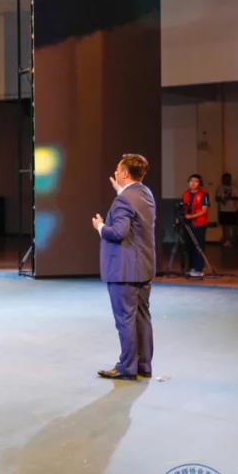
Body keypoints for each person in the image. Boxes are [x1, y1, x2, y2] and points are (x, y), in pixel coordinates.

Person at [92, 153, 156, 381]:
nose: (115, 173)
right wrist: (121, 191)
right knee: (142, 318)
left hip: (124, 271)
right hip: (143, 268)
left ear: (126, 174)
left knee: (125, 320)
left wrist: (100, 226)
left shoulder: (123, 200)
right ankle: (143, 365)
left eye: (118, 170)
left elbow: (118, 232)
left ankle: (127, 367)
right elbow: (133, 213)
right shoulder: (145, 194)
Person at [181, 173, 210, 278]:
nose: (193, 183)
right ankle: (190, 268)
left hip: (199, 223)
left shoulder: (204, 194)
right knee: (188, 246)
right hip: (187, 223)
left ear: (199, 183)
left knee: (198, 245)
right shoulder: (185, 193)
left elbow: (204, 210)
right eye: (191, 181)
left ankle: (198, 268)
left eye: (196, 181)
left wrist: (192, 216)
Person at [215, 173, 238, 248]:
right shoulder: (220, 188)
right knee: (225, 226)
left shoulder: (234, 188)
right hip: (223, 210)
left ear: (230, 179)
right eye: (224, 179)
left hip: (233, 210)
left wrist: (229, 198)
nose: (225, 180)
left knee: (235, 226)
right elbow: (217, 198)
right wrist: (222, 199)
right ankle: (227, 241)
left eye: (227, 179)